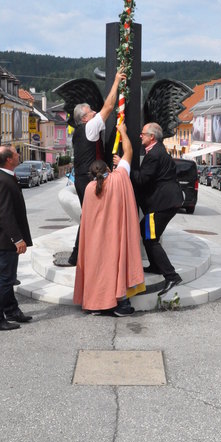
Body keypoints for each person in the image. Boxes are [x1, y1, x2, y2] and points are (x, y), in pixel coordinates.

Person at [73, 122, 145, 316]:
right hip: (115, 236)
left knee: (97, 267)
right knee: (116, 266)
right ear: (107, 168)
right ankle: (121, 304)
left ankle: (95, 304)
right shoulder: (119, 178)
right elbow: (128, 152)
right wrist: (123, 131)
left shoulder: (89, 189)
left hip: (95, 239)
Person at [67, 70, 126, 266]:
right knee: (93, 215)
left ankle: (78, 255)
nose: (95, 113)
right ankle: (80, 255)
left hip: (83, 177)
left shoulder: (80, 132)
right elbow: (109, 107)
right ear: (85, 118)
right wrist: (116, 80)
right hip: (88, 178)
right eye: (92, 111)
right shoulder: (90, 127)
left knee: (89, 215)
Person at [131, 122, 184, 296]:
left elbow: (141, 180)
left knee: (151, 238)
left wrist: (125, 166)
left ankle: (171, 276)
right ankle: (155, 265)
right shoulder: (158, 150)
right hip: (167, 201)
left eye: (143, 133)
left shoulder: (154, 154)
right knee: (145, 231)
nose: (140, 136)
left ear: (152, 137)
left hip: (162, 203)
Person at [0, 145, 32, 331]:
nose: (19, 155)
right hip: (4, 240)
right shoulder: (2, 180)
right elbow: (5, 214)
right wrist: (17, 239)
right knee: (6, 279)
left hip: (4, 239)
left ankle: (12, 311)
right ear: (9, 159)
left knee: (8, 277)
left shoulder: (5, 176)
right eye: (15, 153)